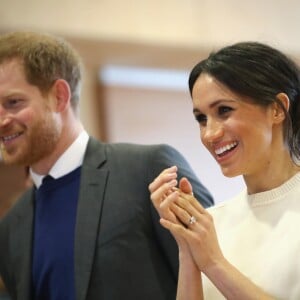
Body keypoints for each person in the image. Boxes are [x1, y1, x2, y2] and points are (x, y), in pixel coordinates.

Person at [0, 31, 214, 300]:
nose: (2, 120)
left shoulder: (149, 171)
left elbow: (215, 279)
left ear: (59, 96)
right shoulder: (10, 228)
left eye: (13, 103)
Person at [149, 41, 300, 299]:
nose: (210, 134)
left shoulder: (211, 245)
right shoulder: (212, 223)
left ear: (277, 108)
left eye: (224, 111)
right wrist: (187, 246)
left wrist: (213, 262)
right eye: (201, 118)